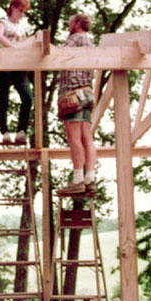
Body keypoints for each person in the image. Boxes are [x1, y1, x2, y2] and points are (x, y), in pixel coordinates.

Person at [57, 13, 97, 195]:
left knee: (73, 137)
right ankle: (90, 179)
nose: (68, 24)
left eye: (70, 21)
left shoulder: (74, 39)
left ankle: (78, 179)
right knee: (87, 137)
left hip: (73, 94)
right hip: (87, 93)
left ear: (78, 24)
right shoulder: (90, 42)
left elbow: (59, 55)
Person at [0, 0, 33, 145]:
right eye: (21, 11)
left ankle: (21, 130)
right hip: (3, 64)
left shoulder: (22, 27)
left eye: (24, 12)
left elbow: (25, 44)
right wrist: (13, 48)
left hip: (19, 66)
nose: (22, 14)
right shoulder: (4, 22)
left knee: (27, 97)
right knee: (4, 99)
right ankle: (4, 132)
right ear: (13, 8)